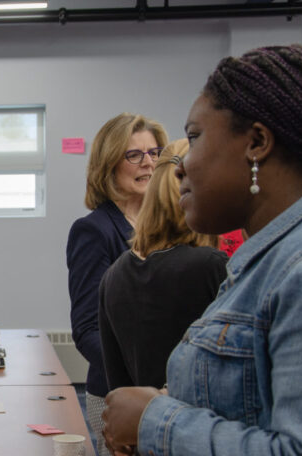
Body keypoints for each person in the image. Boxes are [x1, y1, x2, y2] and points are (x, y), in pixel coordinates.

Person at [102, 44, 302, 455]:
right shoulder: (272, 262)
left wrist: (155, 420)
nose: (178, 168)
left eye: (194, 137)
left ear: (257, 142)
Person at [66, 113, 167, 455]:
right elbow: (86, 328)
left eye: (155, 153)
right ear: (109, 164)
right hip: (117, 393)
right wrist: (136, 382)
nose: (148, 163)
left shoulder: (170, 225)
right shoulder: (94, 230)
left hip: (169, 395)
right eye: (134, 155)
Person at [98, 140, 226, 391]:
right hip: (200, 423)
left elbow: (119, 386)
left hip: (146, 424)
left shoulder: (113, 275)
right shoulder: (211, 266)